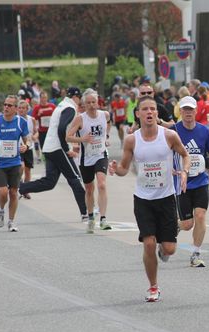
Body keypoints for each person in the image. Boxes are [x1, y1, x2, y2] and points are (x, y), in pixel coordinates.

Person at [109, 95, 190, 302]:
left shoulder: (169, 136)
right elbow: (124, 169)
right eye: (145, 109)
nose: (149, 113)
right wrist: (115, 168)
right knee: (148, 244)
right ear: (138, 114)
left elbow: (185, 154)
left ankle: (165, 247)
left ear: (157, 113)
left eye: (152, 109)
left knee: (169, 248)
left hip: (166, 197)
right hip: (143, 199)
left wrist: (184, 171)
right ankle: (153, 286)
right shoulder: (132, 140)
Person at [19, 87, 87, 222]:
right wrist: (66, 148)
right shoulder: (70, 108)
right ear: (76, 97)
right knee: (75, 179)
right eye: (80, 99)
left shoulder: (61, 105)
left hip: (49, 148)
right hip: (58, 148)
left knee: (49, 182)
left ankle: (19, 188)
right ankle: (86, 213)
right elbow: (62, 128)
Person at [175, 96, 209, 267]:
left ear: (196, 111)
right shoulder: (174, 131)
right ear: (180, 111)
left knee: (200, 216)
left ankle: (195, 254)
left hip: (201, 180)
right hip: (182, 183)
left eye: (191, 109)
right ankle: (177, 226)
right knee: (188, 224)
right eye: (185, 109)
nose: (188, 112)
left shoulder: (204, 131)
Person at [66, 88, 112, 233]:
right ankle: (91, 217)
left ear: (98, 102)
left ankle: (103, 219)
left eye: (94, 102)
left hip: (101, 154)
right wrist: (82, 139)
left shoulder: (105, 115)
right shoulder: (80, 118)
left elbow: (108, 124)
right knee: (89, 189)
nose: (92, 105)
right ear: (84, 104)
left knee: (102, 184)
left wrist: (107, 137)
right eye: (88, 103)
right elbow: (68, 137)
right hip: (86, 159)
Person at [0, 95, 29, 232]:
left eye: (9, 105)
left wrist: (25, 146)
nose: (6, 107)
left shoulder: (21, 122)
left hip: (14, 161)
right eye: (5, 104)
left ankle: (11, 222)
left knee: (13, 192)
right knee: (3, 192)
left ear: (15, 108)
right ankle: (1, 210)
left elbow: (26, 140)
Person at [17, 100, 38, 199]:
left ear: (27, 109)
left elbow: (36, 132)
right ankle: (19, 182)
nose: (21, 110)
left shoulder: (31, 119)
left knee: (28, 170)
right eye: (19, 108)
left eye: (23, 108)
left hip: (29, 147)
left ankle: (26, 190)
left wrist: (34, 136)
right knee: (21, 167)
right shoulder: (15, 119)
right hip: (18, 147)